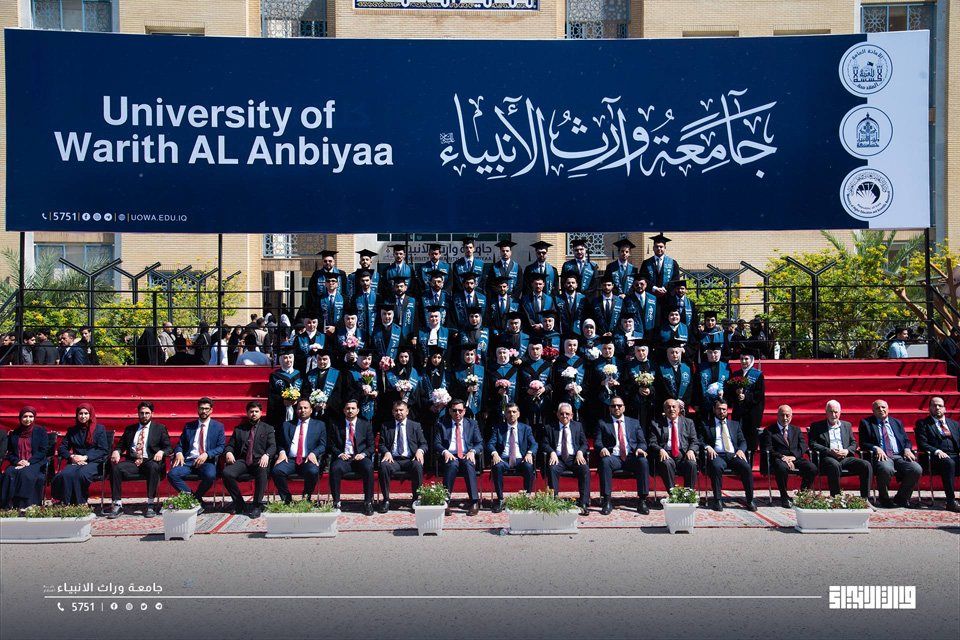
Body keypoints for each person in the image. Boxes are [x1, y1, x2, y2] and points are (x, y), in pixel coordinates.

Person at [107, 401, 172, 518]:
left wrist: (161, 452)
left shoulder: (160, 428)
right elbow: (120, 446)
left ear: (152, 414)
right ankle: (117, 504)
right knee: (116, 469)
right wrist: (116, 451)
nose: (144, 416)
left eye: (147, 413)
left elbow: (169, 447)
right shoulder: (130, 429)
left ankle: (151, 504)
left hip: (150, 461)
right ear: (138, 414)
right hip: (133, 461)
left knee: (153, 467)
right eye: (142, 413)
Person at [857, 399, 922, 508]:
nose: (881, 410)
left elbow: (906, 440)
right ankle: (884, 498)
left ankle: (902, 497)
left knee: (916, 469)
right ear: (873, 410)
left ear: (888, 409)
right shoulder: (866, 423)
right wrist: (876, 448)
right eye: (878, 408)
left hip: (899, 455)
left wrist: (907, 449)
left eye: (883, 407)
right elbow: (863, 443)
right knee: (886, 469)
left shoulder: (896, 422)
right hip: (882, 456)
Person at [808, 400, 873, 501]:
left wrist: (847, 451)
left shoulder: (847, 425)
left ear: (840, 412)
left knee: (866, 465)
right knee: (834, 465)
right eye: (831, 412)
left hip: (845, 457)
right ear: (826, 412)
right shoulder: (817, 426)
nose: (833, 415)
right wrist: (829, 451)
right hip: (828, 458)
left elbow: (853, 442)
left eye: (836, 412)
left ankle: (865, 498)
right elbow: (813, 444)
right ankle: (836, 498)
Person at [594, 397, 651, 514]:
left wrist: (640, 448)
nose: (616, 408)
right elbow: (597, 442)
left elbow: (642, 442)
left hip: (631, 456)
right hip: (613, 457)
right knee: (605, 462)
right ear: (609, 408)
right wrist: (603, 448)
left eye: (619, 405)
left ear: (624, 408)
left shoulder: (634, 422)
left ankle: (642, 501)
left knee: (643, 462)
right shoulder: (602, 423)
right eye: (613, 406)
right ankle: (607, 501)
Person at [168, 397, 225, 512]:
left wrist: (207, 454)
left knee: (210, 475)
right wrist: (178, 453)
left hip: (206, 461)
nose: (204, 411)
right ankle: (194, 499)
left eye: (206, 409)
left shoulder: (218, 427)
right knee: (172, 474)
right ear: (197, 409)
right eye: (201, 408)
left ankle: (195, 497)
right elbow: (180, 444)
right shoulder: (189, 426)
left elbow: (221, 447)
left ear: (211, 410)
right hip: (188, 461)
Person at [222, 401, 276, 518]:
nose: (254, 414)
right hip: (243, 461)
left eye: (256, 411)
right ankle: (239, 502)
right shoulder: (239, 429)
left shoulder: (268, 428)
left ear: (261, 413)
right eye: (251, 411)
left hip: (259, 460)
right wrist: (229, 452)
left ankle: (257, 505)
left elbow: (272, 446)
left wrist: (267, 455)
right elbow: (230, 445)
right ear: (247, 413)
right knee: (227, 473)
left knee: (262, 470)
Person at [700, 400, 756, 511]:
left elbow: (743, 441)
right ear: (714, 410)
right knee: (716, 466)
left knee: (746, 467)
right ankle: (718, 500)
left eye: (724, 409)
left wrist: (741, 450)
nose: (721, 412)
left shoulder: (734, 424)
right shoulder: (706, 425)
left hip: (733, 455)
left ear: (727, 411)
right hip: (717, 455)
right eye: (719, 409)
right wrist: (708, 447)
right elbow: (700, 440)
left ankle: (750, 500)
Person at [760, 405, 817, 508]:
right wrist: (783, 457)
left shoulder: (796, 430)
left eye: (787, 415)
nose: (785, 418)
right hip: (779, 459)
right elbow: (768, 449)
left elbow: (803, 446)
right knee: (781, 468)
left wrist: (794, 457)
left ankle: (803, 493)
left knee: (812, 468)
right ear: (777, 416)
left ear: (791, 416)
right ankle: (784, 495)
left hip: (795, 458)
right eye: (782, 415)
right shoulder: (769, 431)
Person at [52, 403, 108, 506]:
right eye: (80, 414)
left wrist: (86, 457)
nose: (83, 416)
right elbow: (62, 449)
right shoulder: (72, 430)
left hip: (93, 462)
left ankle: (81, 503)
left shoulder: (99, 429)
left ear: (90, 414)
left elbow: (103, 449)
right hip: (75, 461)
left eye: (86, 413)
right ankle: (65, 502)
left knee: (80, 475)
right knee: (63, 475)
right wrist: (72, 456)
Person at [272, 398, 326, 504]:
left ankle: (306, 497)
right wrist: (282, 452)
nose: (303, 410)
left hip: (308, 459)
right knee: (277, 471)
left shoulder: (319, 425)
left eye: (306, 408)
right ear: (296, 410)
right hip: (290, 460)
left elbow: (323, 445)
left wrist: (314, 453)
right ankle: (287, 499)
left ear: (311, 410)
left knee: (313, 471)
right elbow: (280, 443)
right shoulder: (287, 425)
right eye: (300, 408)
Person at [435, 399, 483, 515]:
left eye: (460, 410)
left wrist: (472, 451)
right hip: (450, 456)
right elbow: (436, 444)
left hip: (467, 455)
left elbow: (480, 443)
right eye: (454, 410)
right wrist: (445, 451)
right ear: (450, 411)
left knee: (468, 464)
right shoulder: (442, 425)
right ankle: (445, 501)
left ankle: (474, 502)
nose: (457, 413)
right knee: (452, 465)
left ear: (464, 411)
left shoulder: (472, 424)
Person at [541, 403, 591, 515]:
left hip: (574, 458)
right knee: (552, 469)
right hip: (558, 458)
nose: (564, 416)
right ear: (557, 415)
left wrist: (580, 452)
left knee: (585, 470)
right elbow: (544, 444)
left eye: (567, 414)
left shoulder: (578, 426)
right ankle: (553, 502)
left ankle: (583, 503)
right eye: (562, 413)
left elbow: (585, 444)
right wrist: (552, 452)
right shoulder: (549, 427)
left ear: (572, 415)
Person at [378, 400, 427, 513]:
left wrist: (420, 450)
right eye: (396, 410)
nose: (399, 412)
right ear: (392, 412)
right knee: (384, 466)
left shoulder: (415, 426)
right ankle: (386, 499)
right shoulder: (386, 426)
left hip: (410, 459)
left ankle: (416, 499)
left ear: (407, 411)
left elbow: (424, 444)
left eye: (401, 410)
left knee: (417, 465)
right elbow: (381, 444)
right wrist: (386, 452)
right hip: (393, 460)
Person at [486, 403, 537, 513]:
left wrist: (529, 453)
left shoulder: (526, 428)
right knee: (497, 466)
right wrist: (494, 453)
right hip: (503, 459)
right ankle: (500, 500)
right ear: (505, 415)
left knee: (529, 466)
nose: (511, 414)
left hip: (520, 459)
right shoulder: (498, 428)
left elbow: (534, 444)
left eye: (514, 412)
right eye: (509, 412)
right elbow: (490, 444)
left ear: (518, 414)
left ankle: (526, 498)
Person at [328, 399, 375, 514]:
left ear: (358, 410)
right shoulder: (336, 426)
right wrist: (340, 454)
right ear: (344, 410)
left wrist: (363, 454)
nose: (350, 411)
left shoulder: (366, 425)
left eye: (353, 408)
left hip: (360, 458)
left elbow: (371, 446)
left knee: (368, 467)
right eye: (348, 408)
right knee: (335, 468)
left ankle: (368, 502)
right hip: (344, 458)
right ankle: (336, 501)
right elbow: (331, 445)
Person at [914, 396, 960, 512]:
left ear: (945, 409)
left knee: (952, 461)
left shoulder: (954, 424)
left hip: (954, 455)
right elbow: (922, 443)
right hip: (934, 458)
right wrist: (937, 451)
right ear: (929, 408)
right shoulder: (923, 424)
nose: (937, 408)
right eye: (934, 406)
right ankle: (951, 501)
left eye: (940, 406)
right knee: (949, 463)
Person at [1, 406, 49, 509]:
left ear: (34, 417)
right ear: (20, 418)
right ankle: (8, 506)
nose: (28, 419)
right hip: (18, 462)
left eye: (30, 416)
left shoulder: (40, 431)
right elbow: (10, 453)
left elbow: (43, 451)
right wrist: (18, 462)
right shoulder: (14, 434)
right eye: (25, 416)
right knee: (9, 473)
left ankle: (24, 506)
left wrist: (29, 462)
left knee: (25, 473)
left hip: (35, 462)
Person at [648, 398, 700, 494]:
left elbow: (695, 441)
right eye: (668, 407)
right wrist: (660, 450)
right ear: (664, 410)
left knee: (692, 464)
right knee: (666, 463)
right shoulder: (656, 424)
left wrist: (691, 450)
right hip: (666, 454)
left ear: (679, 409)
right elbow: (652, 442)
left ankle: (688, 495)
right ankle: (673, 495)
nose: (671, 409)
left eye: (674, 407)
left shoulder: (688, 422)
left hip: (684, 454)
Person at [730, 348, 765, 453]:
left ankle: (750, 458)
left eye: (746, 359)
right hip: (738, 410)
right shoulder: (736, 374)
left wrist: (746, 397)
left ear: (752, 359)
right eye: (741, 359)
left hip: (752, 411)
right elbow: (729, 391)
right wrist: (736, 393)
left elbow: (759, 394)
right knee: (737, 435)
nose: (743, 361)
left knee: (750, 437)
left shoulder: (758, 375)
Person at [267, 344, 306, 429]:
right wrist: (283, 401)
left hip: (297, 410)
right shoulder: (275, 375)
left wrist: (297, 400)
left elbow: (304, 392)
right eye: (285, 358)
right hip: (280, 411)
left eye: (290, 357)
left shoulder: (300, 375)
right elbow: (272, 395)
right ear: (281, 360)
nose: (288, 360)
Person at [655, 340, 693, 409]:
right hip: (669, 406)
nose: (675, 355)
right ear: (668, 354)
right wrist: (675, 401)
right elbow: (661, 388)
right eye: (672, 352)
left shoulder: (686, 368)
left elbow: (690, 388)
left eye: (677, 352)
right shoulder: (662, 369)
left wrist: (683, 402)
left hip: (683, 405)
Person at [640, 233, 679, 298]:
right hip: (651, 296)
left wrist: (665, 288)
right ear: (653, 248)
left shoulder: (673, 263)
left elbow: (675, 279)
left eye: (661, 247)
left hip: (667, 297)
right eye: (656, 246)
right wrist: (654, 288)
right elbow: (643, 278)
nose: (659, 249)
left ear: (665, 247)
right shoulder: (646, 263)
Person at [556, 272, 588, 337]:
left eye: (573, 283)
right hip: (563, 334)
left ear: (576, 285)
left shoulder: (583, 299)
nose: (571, 284)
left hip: (579, 333)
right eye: (568, 283)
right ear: (564, 285)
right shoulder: (557, 299)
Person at [352, 269, 379, 344]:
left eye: (367, 280)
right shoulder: (355, 297)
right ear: (360, 282)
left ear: (371, 281)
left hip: (374, 329)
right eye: (363, 281)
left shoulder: (377, 297)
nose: (365, 283)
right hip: (360, 330)